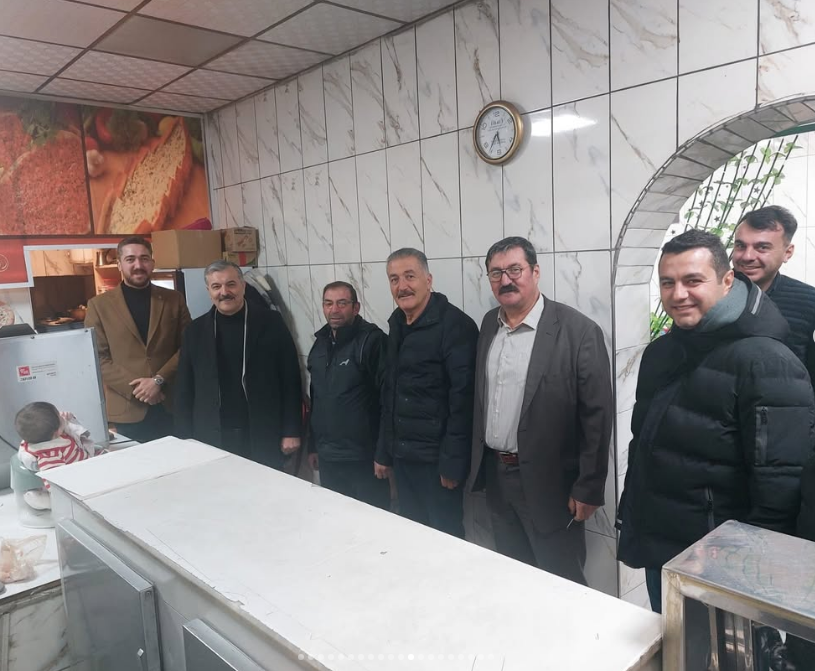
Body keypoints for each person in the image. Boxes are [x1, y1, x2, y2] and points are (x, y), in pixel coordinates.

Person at [618, 229, 815, 613]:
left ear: (727, 281)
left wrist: (747, 573)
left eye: (693, 280)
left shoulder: (767, 362)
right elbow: (644, 445)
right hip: (662, 548)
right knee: (669, 640)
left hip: (722, 567)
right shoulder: (662, 352)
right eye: (668, 282)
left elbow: (780, 489)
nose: (678, 294)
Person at [467, 237, 612, 585]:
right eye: (496, 273)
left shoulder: (578, 331)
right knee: (514, 577)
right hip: (497, 476)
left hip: (551, 484)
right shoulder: (489, 324)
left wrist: (589, 486)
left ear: (535, 271)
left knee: (561, 582)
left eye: (514, 270)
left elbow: (597, 416)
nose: (506, 280)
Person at [375, 249, 478, 537]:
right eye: (394, 279)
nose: (402, 286)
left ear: (428, 280)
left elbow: (463, 401)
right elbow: (390, 394)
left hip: (437, 464)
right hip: (403, 458)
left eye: (410, 276)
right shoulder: (397, 324)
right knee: (412, 536)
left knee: (445, 540)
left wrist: (453, 463)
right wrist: (384, 451)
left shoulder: (455, 326)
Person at [175, 260, 302, 470]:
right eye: (216, 286)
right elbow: (184, 388)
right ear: (209, 291)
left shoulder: (271, 323)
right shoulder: (194, 331)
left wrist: (291, 430)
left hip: (262, 431)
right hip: (211, 435)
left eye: (231, 284)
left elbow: (290, 379)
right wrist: (183, 438)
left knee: (264, 487)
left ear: (243, 286)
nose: (224, 292)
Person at [85, 236, 191, 443]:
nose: (138, 265)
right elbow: (98, 357)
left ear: (152, 262)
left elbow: (188, 346)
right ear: (119, 264)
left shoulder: (174, 299)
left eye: (144, 258)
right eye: (130, 259)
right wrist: (139, 389)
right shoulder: (99, 306)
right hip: (128, 408)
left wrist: (159, 380)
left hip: (170, 402)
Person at [307, 281, 389, 509]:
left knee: (372, 520)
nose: (334, 310)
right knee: (337, 518)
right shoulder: (320, 343)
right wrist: (312, 445)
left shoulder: (372, 341)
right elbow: (316, 398)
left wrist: (383, 454)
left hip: (364, 458)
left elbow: (388, 401)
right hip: (328, 457)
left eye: (342, 303)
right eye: (328, 303)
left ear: (356, 307)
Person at [732, 205, 815, 380]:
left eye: (762, 247)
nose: (747, 256)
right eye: (740, 246)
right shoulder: (708, 294)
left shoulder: (808, 301)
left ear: (787, 253)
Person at [14, 402, 90, 509]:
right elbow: (55, 480)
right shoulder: (50, 454)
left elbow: (65, 427)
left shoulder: (37, 436)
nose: (62, 416)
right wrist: (63, 498)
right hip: (78, 473)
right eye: (60, 416)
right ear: (57, 432)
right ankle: (48, 501)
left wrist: (66, 418)